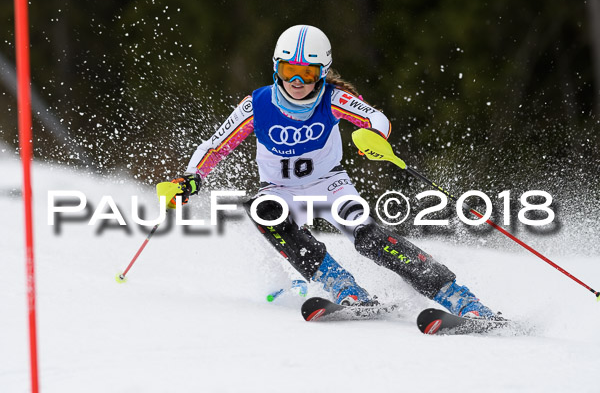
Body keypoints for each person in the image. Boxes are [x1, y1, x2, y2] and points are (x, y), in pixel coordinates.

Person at [169, 25, 498, 318]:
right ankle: (343, 287)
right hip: (280, 189)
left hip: (330, 186)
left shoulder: (333, 99)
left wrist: (373, 137)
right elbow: (215, 146)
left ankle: (458, 297)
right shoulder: (258, 105)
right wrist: (191, 177)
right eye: (288, 71)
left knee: (368, 236)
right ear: (276, 69)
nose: (296, 82)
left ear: (322, 73)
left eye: (307, 74)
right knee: (264, 210)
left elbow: (375, 119)